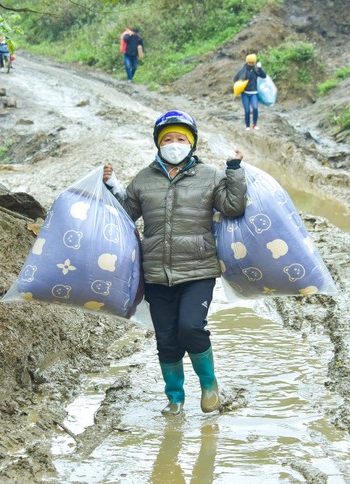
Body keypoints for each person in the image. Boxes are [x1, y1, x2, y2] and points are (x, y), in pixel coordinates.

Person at [103, 110, 247, 415]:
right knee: (166, 338)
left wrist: (234, 168)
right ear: (157, 143)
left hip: (198, 270)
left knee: (191, 328)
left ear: (191, 143)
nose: (174, 143)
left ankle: (209, 386)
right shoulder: (144, 178)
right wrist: (111, 185)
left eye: (181, 138)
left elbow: (234, 207)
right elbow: (125, 215)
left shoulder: (210, 175)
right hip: (155, 272)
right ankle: (175, 398)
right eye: (167, 138)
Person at [233, 53, 267, 130]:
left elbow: (264, 76)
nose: (251, 64)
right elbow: (235, 78)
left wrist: (260, 69)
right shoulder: (243, 70)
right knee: (247, 110)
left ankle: (255, 124)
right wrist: (239, 85)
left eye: (252, 62)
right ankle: (247, 125)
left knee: (255, 108)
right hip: (245, 93)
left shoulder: (256, 69)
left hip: (254, 93)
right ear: (247, 62)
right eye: (249, 62)